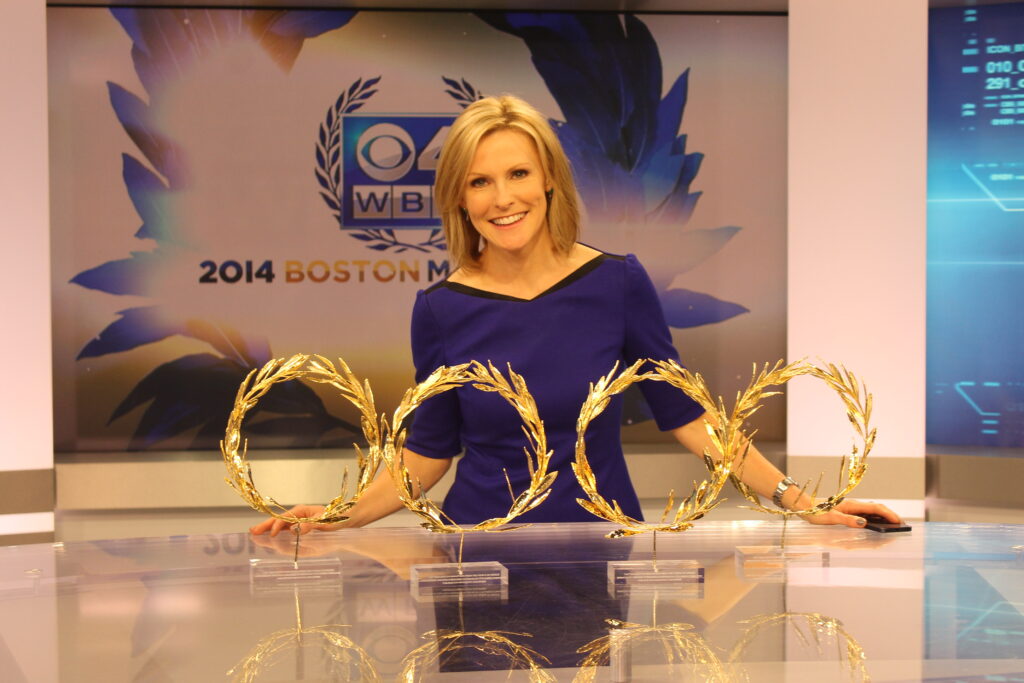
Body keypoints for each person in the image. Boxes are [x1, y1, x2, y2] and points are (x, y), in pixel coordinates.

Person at [252, 95, 901, 537]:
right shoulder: (440, 308)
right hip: (478, 554)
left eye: (517, 174)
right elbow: (427, 453)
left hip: (600, 546)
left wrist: (802, 501)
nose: (502, 198)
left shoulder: (617, 283)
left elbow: (690, 417)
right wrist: (338, 516)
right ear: (459, 198)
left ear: (549, 180)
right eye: (479, 182)